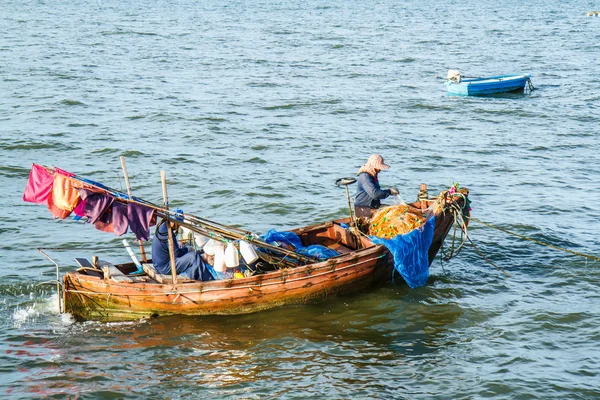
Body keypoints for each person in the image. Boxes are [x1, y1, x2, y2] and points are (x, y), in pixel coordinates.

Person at [151, 210, 215, 281]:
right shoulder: (167, 233)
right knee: (193, 256)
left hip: (159, 264)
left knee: (191, 254)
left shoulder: (162, 226)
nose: (178, 226)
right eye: (178, 224)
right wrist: (187, 249)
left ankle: (195, 273)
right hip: (165, 268)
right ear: (173, 222)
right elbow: (176, 254)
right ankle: (208, 279)